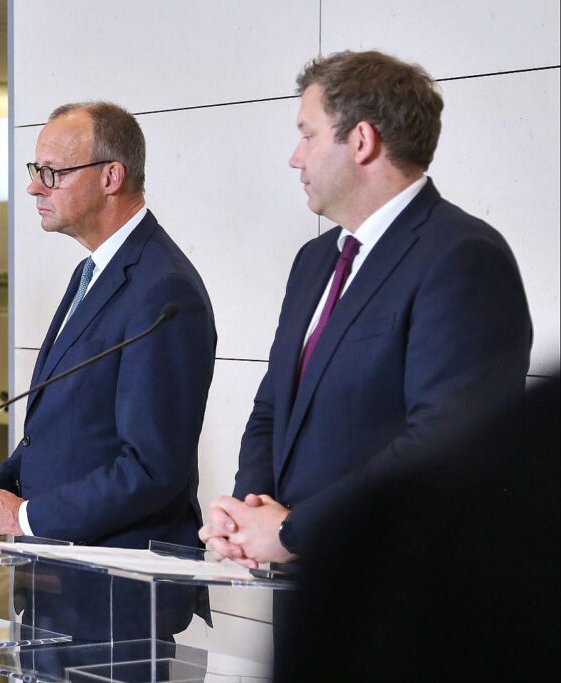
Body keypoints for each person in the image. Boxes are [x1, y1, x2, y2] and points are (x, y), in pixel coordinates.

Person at [199, 49, 532, 643]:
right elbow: (274, 408)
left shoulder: (462, 256)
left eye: (307, 135)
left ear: (361, 140)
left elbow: (445, 445)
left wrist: (294, 531)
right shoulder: (314, 261)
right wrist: (250, 512)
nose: (295, 156)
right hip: (311, 600)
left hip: (407, 614)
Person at [0, 101, 216, 642]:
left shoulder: (163, 289)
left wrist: (26, 518)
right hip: (58, 582)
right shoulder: (92, 271)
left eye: (52, 172)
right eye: (35, 171)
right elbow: (66, 430)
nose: (34, 188)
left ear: (111, 177)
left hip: (115, 594)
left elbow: (151, 466)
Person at [275, 374, 559, 682]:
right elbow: (267, 410)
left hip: (381, 582)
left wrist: (289, 529)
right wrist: (249, 511)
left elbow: (434, 439)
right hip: (313, 577)